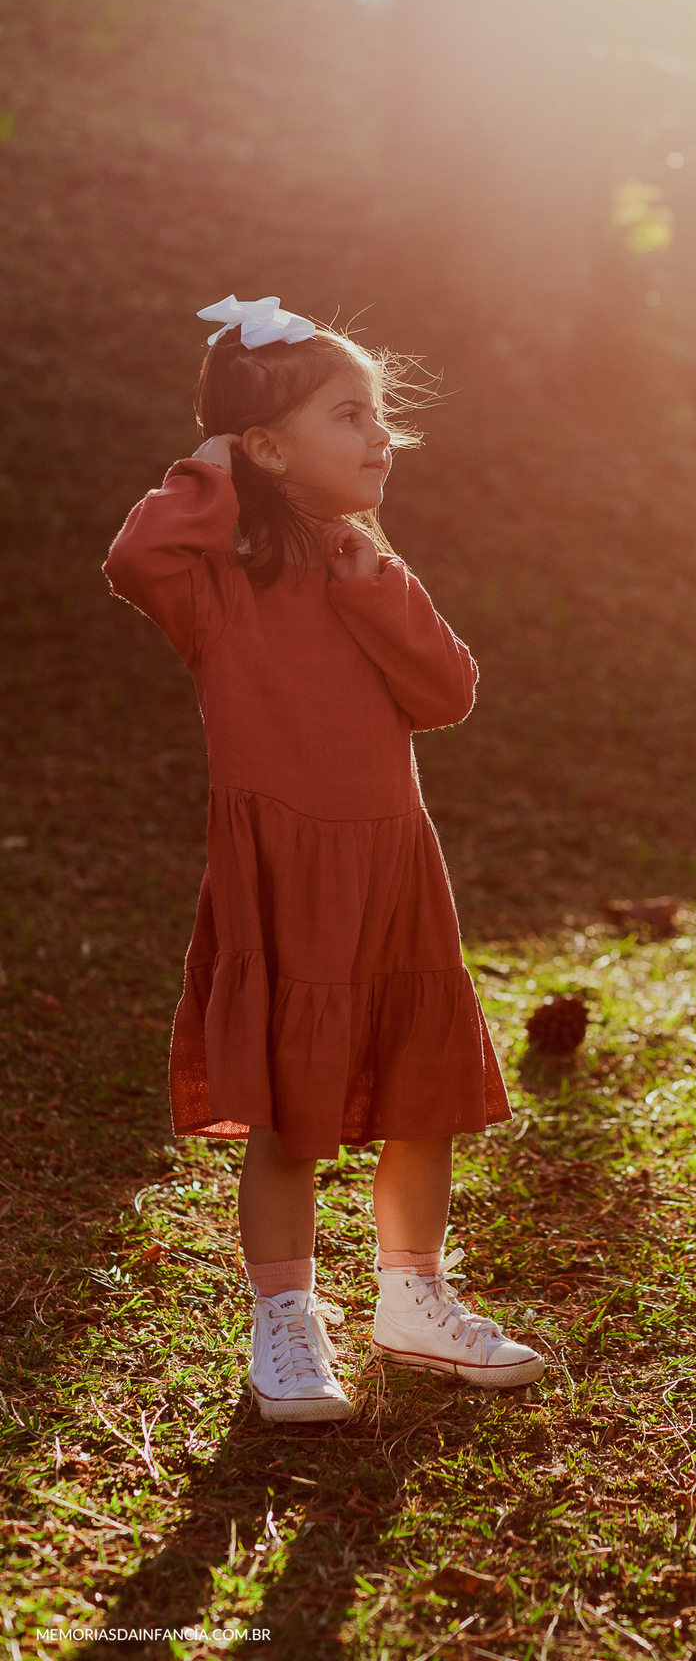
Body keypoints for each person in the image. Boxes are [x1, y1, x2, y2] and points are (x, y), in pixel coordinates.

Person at [105, 295, 544, 1421]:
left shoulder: (364, 564)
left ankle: (413, 1296)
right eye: (350, 415)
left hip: (394, 864)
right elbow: (134, 555)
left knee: (421, 1095)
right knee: (292, 1113)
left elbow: (449, 693)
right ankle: (286, 1324)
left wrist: (375, 584)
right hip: (286, 873)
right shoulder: (216, 582)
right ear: (265, 446)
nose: (380, 436)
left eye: (379, 415)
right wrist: (206, 469)